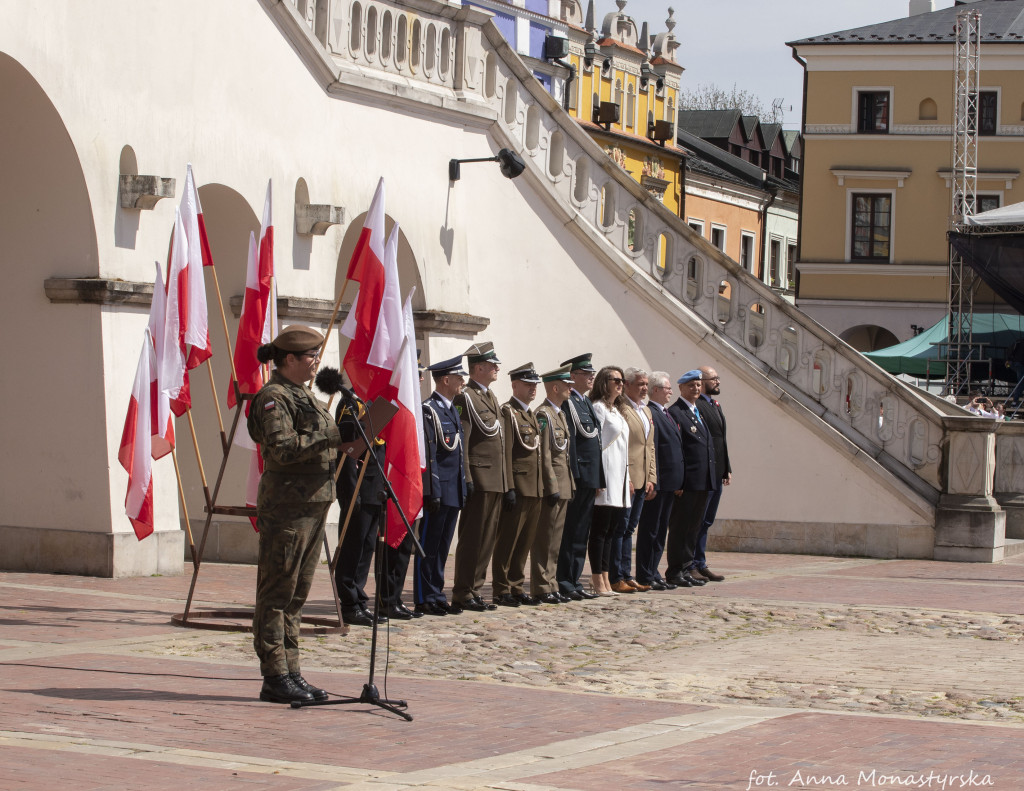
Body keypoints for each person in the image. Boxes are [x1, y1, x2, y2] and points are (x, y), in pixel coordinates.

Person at [248, 325, 339, 705]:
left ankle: (292, 670)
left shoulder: (303, 394)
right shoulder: (273, 397)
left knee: (297, 594)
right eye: (309, 357)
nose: (316, 363)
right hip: (287, 507)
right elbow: (282, 448)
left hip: (312, 504)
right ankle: (275, 674)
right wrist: (330, 437)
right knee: (277, 592)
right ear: (288, 359)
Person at [451, 342, 508, 612]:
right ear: (478, 368)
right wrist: (468, 477)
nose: (497, 367)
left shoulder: (490, 396)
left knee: (487, 538)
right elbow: (464, 439)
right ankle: (463, 591)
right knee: (473, 537)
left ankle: (475, 588)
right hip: (479, 476)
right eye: (492, 364)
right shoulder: (466, 397)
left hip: (495, 477)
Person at [414, 355, 470, 616]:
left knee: (443, 546)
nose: (462, 382)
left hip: (453, 489)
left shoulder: (451, 409)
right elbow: (432, 453)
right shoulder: (429, 410)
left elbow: (457, 455)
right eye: (459, 378)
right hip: (439, 489)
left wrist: (462, 486)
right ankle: (425, 597)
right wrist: (432, 490)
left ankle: (437, 593)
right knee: (430, 546)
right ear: (446, 380)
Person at [492, 363, 545, 607]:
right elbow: (506, 453)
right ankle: (502, 588)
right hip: (519, 484)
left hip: (535, 486)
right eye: (528, 384)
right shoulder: (508, 412)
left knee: (524, 541)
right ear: (514, 385)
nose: (533, 389)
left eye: (535, 385)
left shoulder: (531, 414)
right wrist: (509, 487)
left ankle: (516, 585)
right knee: (508, 541)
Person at [334, 396, 389, 628]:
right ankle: (348, 604)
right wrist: (350, 492)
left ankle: (359, 601)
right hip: (358, 487)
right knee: (352, 548)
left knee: (366, 548)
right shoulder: (351, 404)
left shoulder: (377, 402)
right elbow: (347, 450)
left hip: (374, 486)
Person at [665, 370, 719, 588]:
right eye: (691, 386)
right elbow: (679, 451)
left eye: (698, 385)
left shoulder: (699, 412)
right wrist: (680, 480)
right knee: (680, 527)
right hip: (688, 482)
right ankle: (675, 570)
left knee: (693, 527)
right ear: (681, 388)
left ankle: (688, 567)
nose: (695, 389)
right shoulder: (676, 412)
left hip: (703, 481)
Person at [556, 353, 604, 601]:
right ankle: (564, 580)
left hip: (590, 476)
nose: (591, 377)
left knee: (581, 532)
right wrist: (573, 475)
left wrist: (599, 479)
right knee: (570, 531)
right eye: (586, 374)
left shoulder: (584, 403)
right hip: (578, 476)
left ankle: (574, 579)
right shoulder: (568, 403)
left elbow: (595, 442)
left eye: (591, 373)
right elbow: (570, 443)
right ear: (572, 377)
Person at [531, 365, 576, 604]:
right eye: (567, 385)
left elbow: (564, 455)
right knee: (544, 538)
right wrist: (551, 486)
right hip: (553, 486)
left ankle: (551, 582)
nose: (571, 388)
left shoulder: (560, 414)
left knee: (556, 540)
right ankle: (541, 586)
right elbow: (544, 455)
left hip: (564, 483)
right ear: (555, 387)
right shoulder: (544, 415)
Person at [610, 367, 657, 594]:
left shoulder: (645, 411)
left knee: (630, 529)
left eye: (646, 384)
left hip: (642, 479)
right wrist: (627, 476)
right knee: (620, 528)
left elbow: (650, 446)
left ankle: (627, 575)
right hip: (627, 478)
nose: (644, 388)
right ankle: (616, 575)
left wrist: (651, 477)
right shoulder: (622, 408)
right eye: (640, 384)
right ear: (627, 385)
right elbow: (622, 447)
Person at [635, 371, 682, 591]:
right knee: (650, 530)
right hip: (658, 481)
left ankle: (653, 571)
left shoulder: (665, 413)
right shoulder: (651, 412)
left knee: (660, 531)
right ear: (656, 390)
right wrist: (653, 478)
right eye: (667, 388)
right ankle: (645, 573)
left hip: (669, 482)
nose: (671, 392)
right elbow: (653, 450)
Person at [588, 365, 631, 596]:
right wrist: (598, 477)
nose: (620, 383)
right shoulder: (599, 408)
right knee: (600, 531)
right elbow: (596, 446)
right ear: (604, 382)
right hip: (605, 475)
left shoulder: (617, 410)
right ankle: (597, 580)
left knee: (612, 531)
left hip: (620, 478)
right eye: (616, 380)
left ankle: (606, 577)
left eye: (622, 380)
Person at [693, 366, 731, 583]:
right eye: (713, 378)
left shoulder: (714, 405)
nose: (717, 381)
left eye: (717, 377)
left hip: (717, 471)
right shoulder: (697, 406)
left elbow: (720, 439)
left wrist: (727, 468)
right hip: (704, 473)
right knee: (697, 521)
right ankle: (692, 563)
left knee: (706, 521)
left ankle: (701, 562)